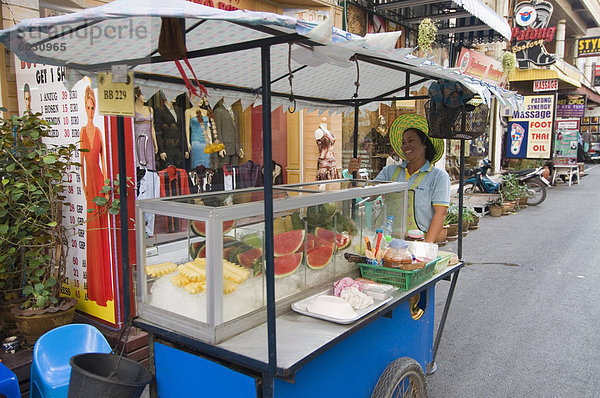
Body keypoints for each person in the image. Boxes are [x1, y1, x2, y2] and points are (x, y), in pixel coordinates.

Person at [348, 113, 450, 243]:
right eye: (403, 142)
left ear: (424, 144)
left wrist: (426, 246)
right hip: (387, 241)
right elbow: (369, 194)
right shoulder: (390, 172)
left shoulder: (438, 176)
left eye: (411, 140)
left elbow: (440, 214)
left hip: (419, 242)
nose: (406, 145)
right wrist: (354, 175)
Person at [80, 86, 113, 307]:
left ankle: (106, 289)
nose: (91, 111)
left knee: (102, 229)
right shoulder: (83, 131)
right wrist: (83, 186)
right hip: (89, 185)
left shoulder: (99, 132)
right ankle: (96, 289)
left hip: (100, 183)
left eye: (93, 108)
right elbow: (83, 163)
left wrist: (107, 184)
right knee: (93, 229)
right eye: (88, 107)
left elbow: (104, 162)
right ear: (85, 107)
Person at [133, 86, 158, 169]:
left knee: (149, 162)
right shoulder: (132, 109)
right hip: (137, 139)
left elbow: (152, 127)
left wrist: (155, 142)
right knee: (139, 161)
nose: (145, 97)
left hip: (149, 140)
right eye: (143, 94)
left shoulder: (150, 109)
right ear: (137, 95)